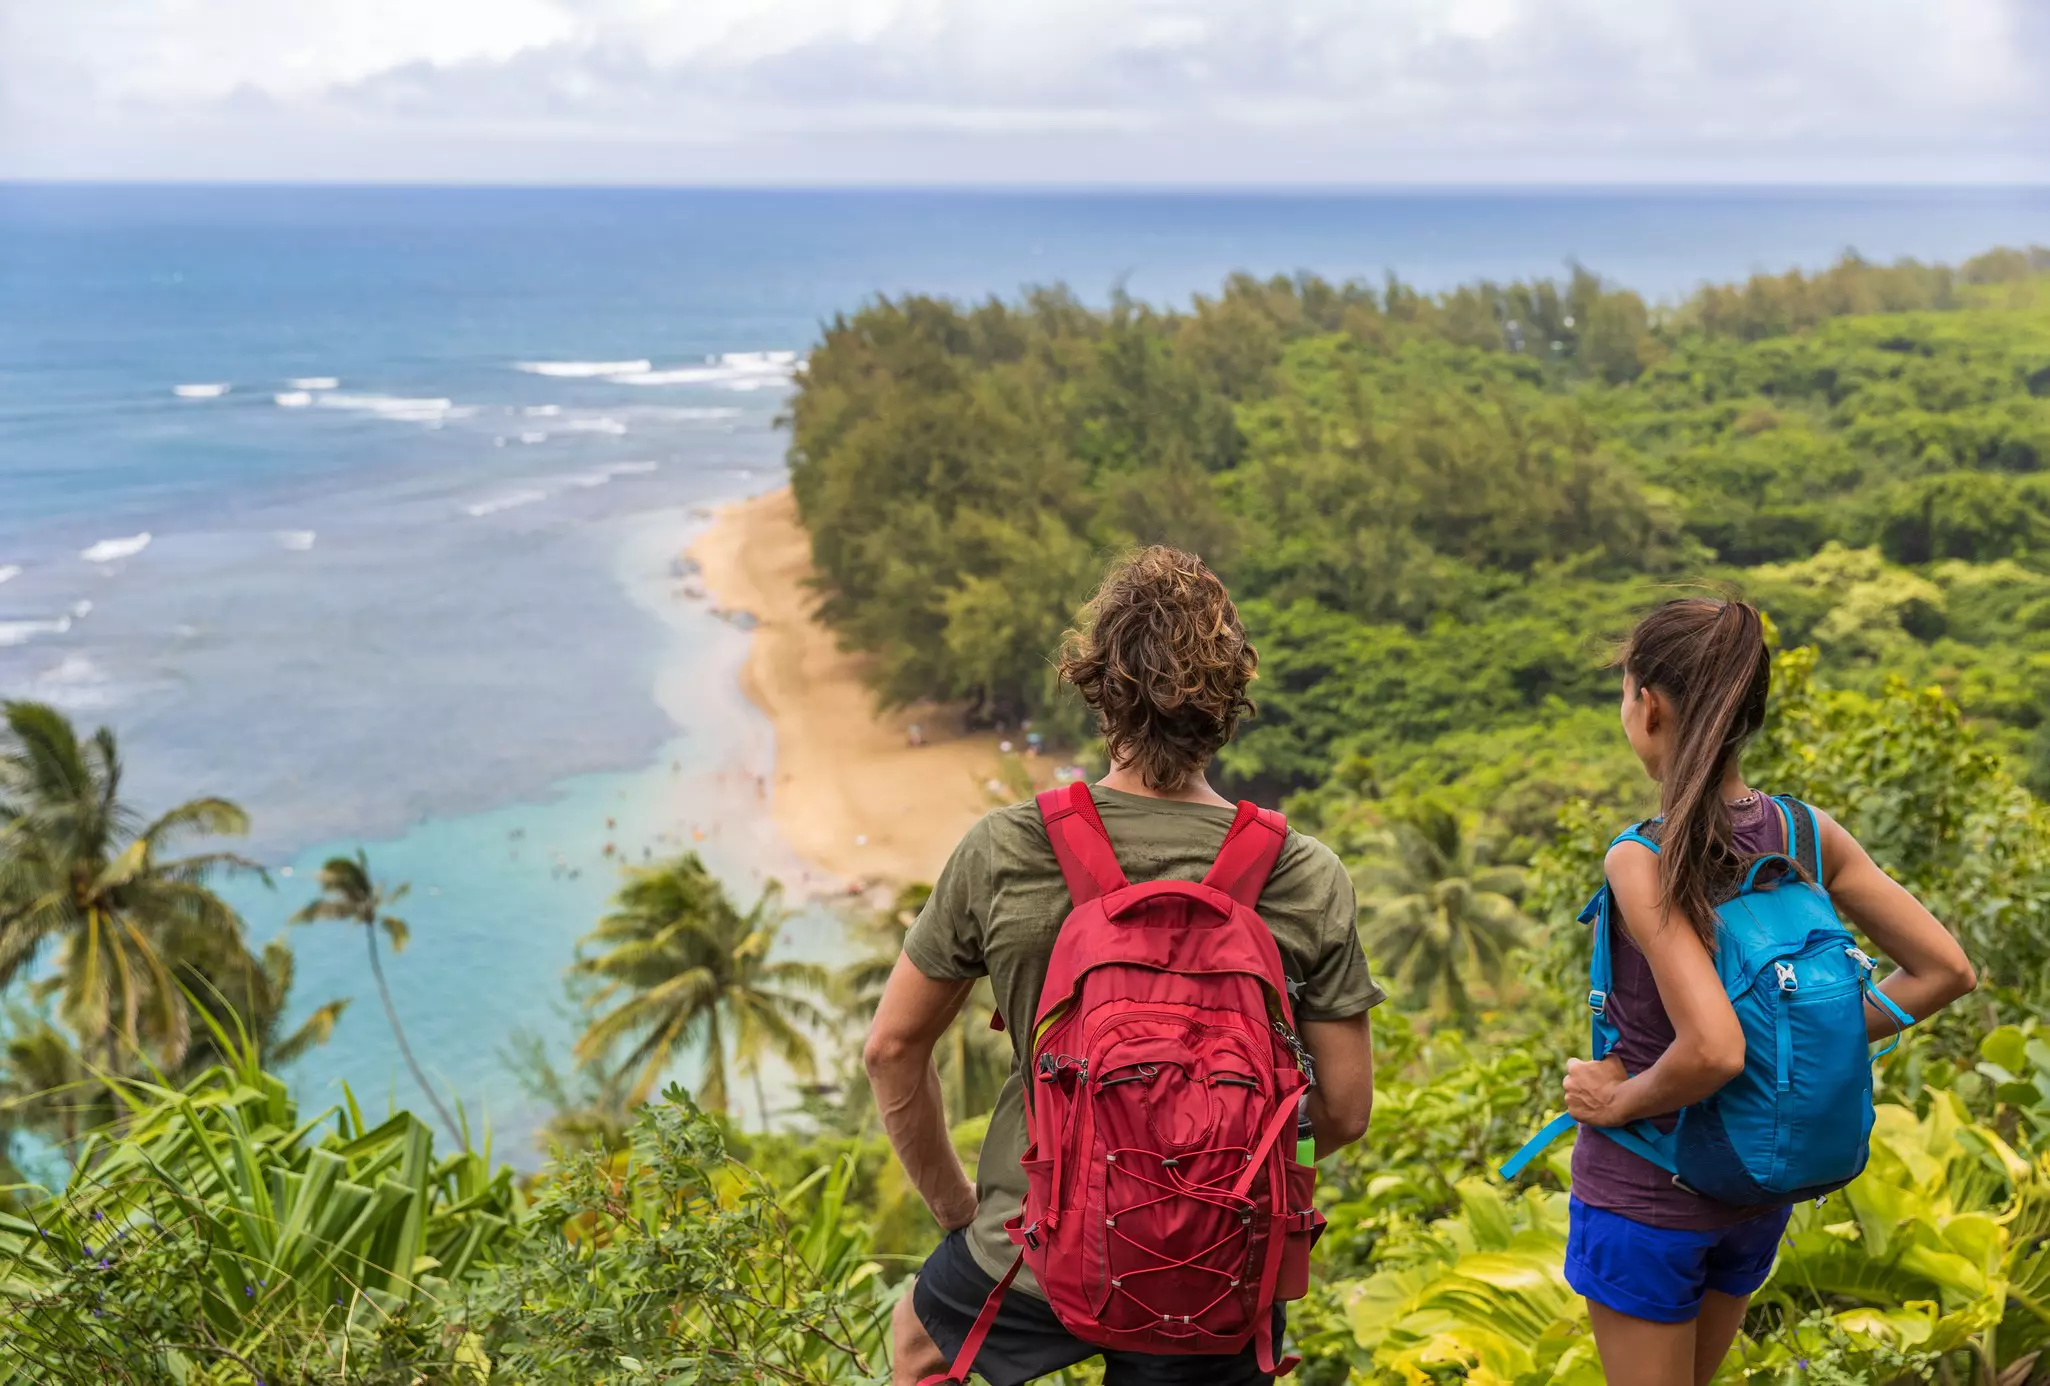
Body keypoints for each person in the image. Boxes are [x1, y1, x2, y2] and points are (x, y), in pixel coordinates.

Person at [864, 546, 1382, 1386]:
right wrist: (1198, 1154)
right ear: (1228, 700)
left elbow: (891, 1050)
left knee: (919, 1343)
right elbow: (1347, 1110)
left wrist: (964, 1212)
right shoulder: (1304, 872)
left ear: (1097, 689)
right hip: (1219, 1262)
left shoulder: (1007, 849)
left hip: (1029, 1242)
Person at [1560, 598, 1977, 1386]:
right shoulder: (1804, 832)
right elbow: (1944, 972)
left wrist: (1618, 1102)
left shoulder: (1640, 858)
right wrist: (1804, 1044)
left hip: (1650, 1194)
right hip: (1756, 1187)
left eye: (1625, 691)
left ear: (1648, 707)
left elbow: (1715, 1049)